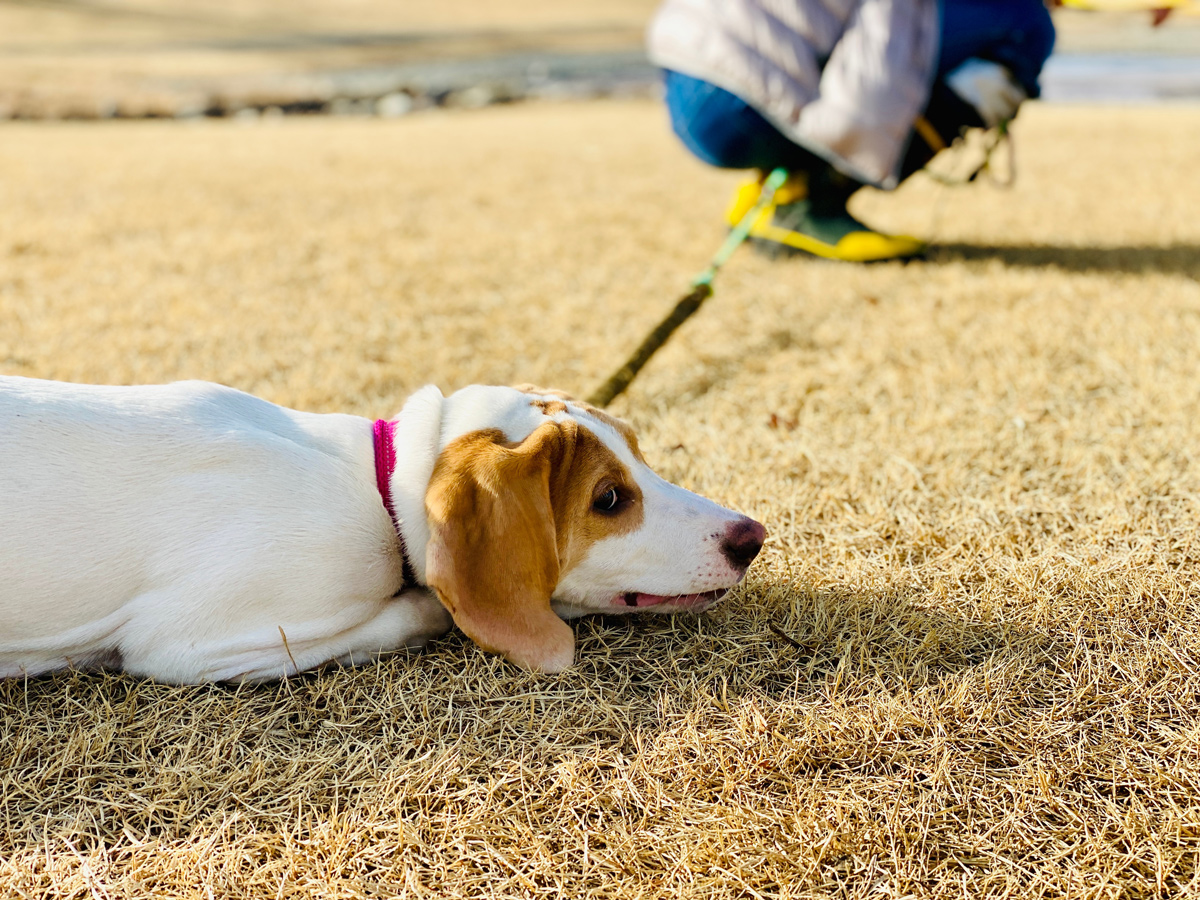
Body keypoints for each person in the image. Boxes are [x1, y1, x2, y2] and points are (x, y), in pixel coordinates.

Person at [647, 0, 1057, 261]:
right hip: (735, 89)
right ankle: (812, 200)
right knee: (1024, 21)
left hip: (687, 55)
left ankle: (786, 192)